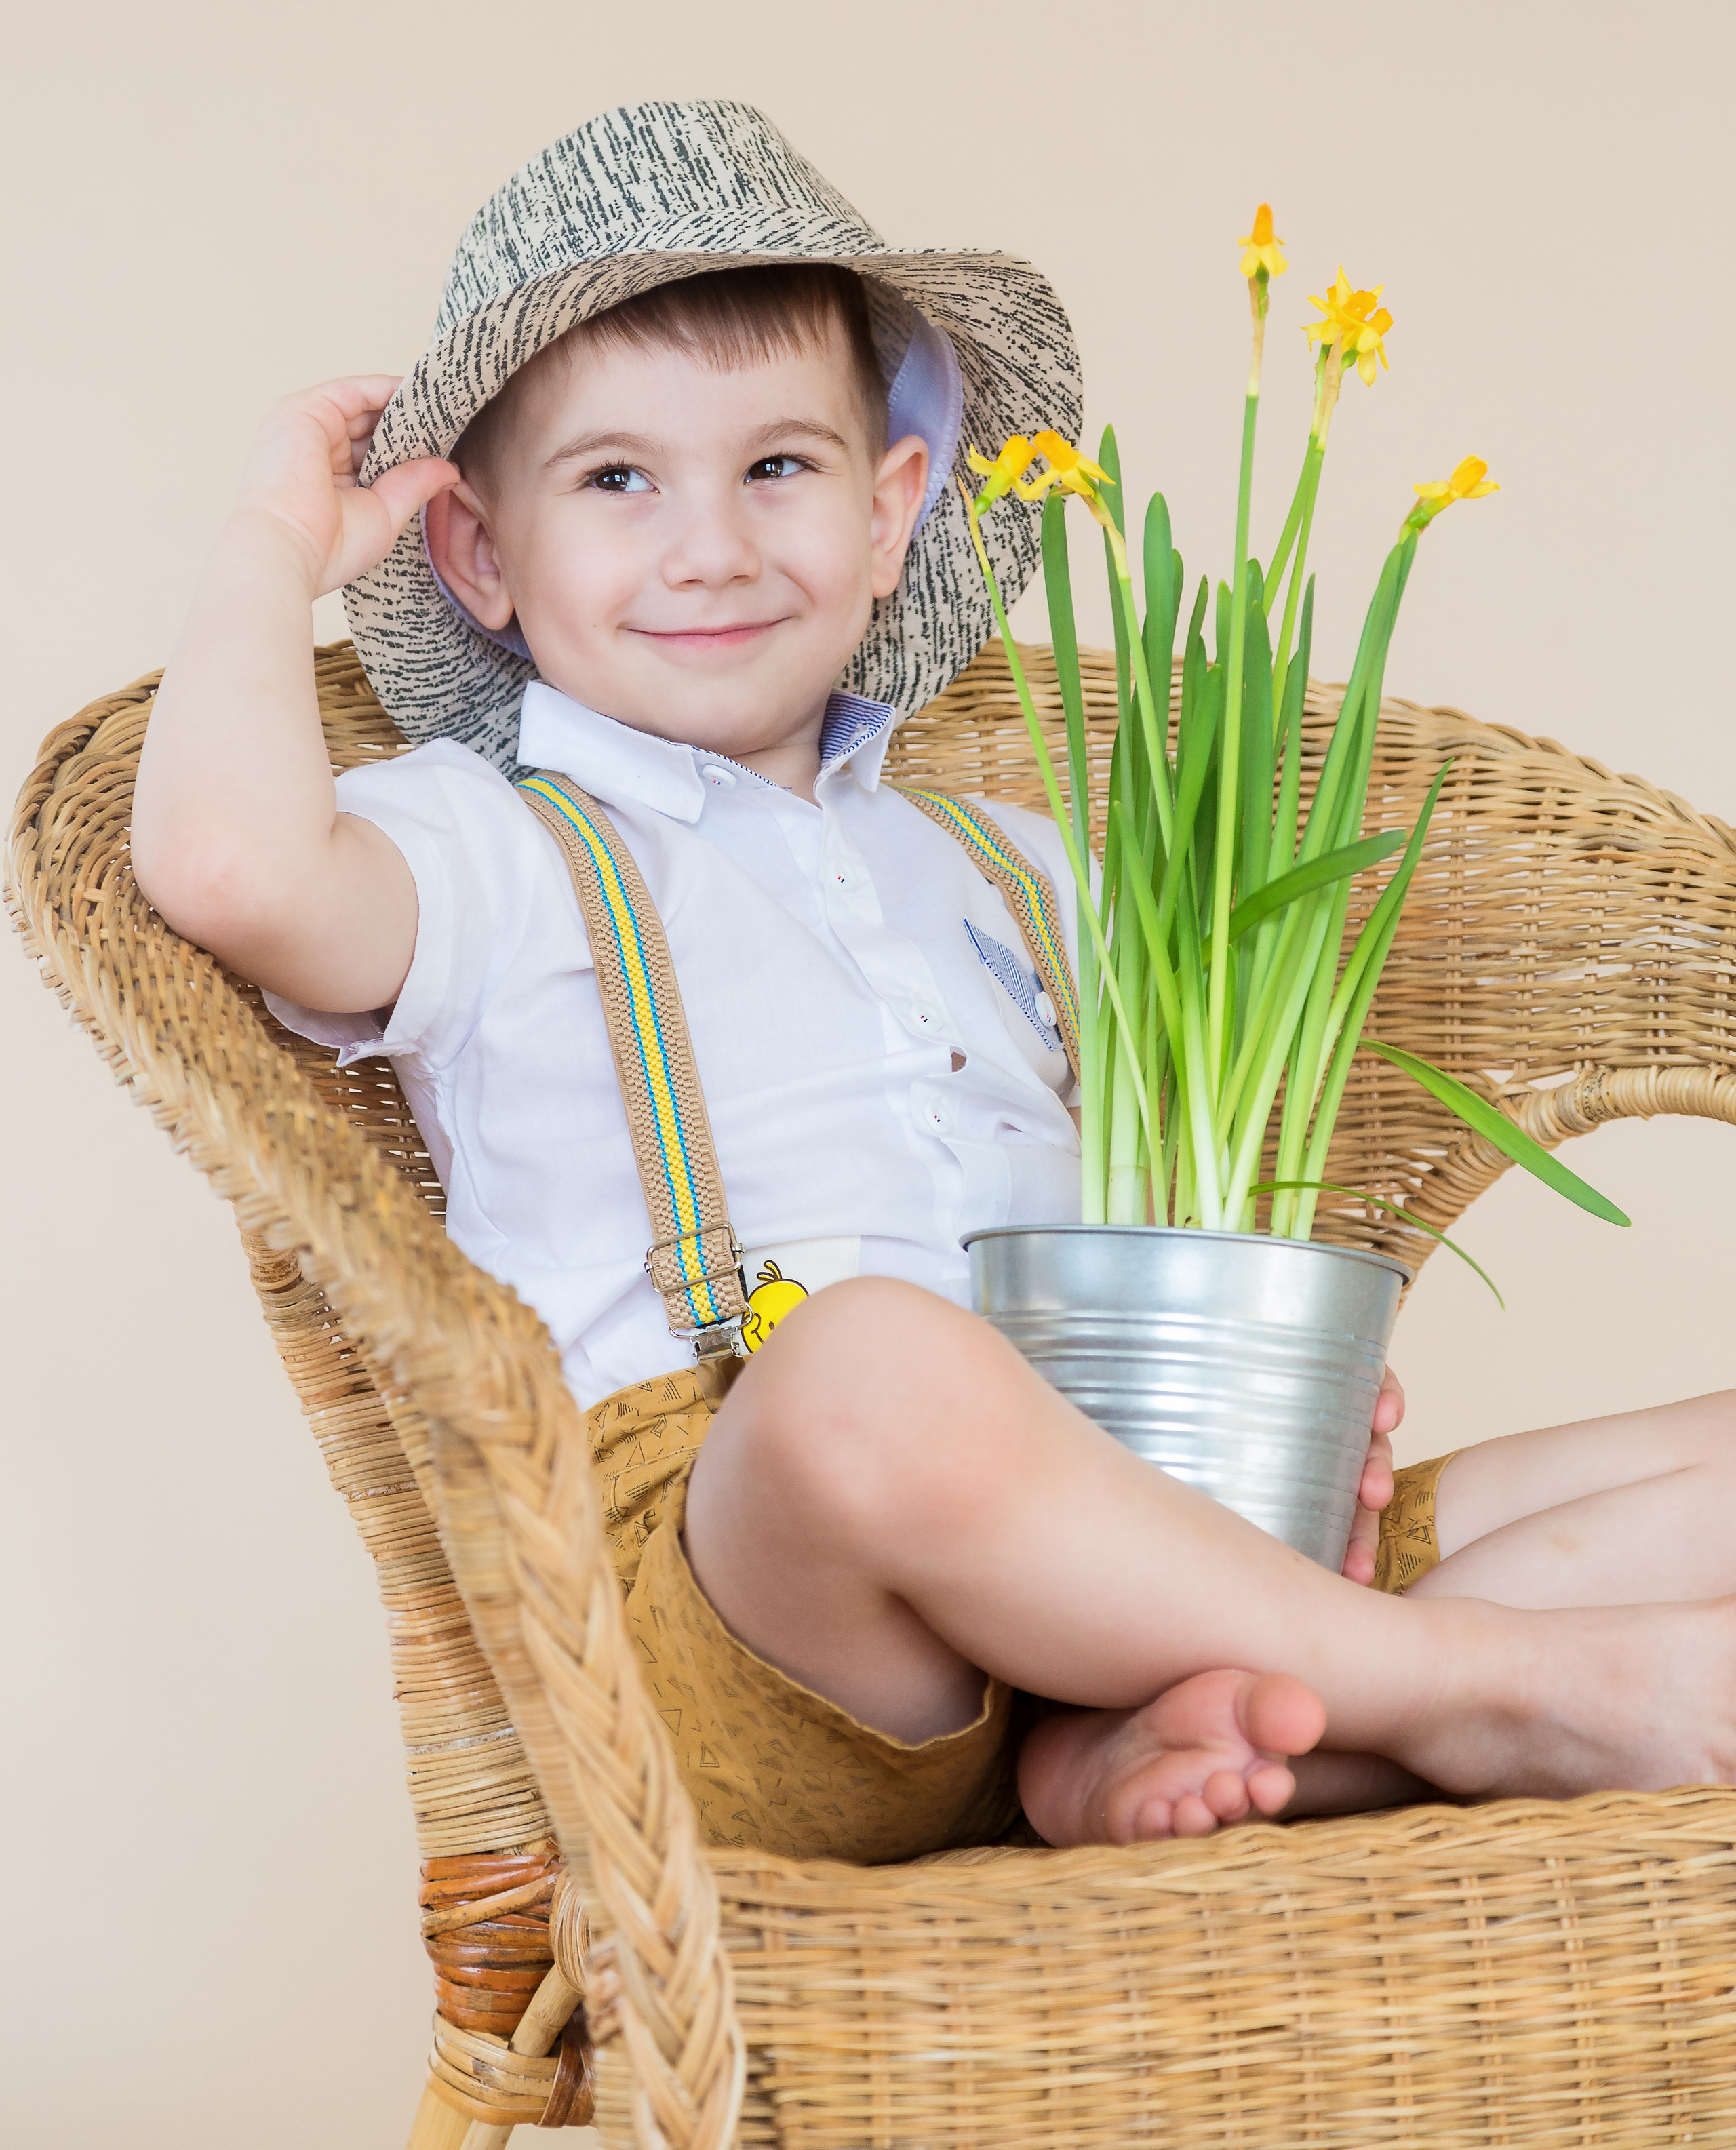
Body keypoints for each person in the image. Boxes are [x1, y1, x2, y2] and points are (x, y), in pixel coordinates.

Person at [131, 100, 1736, 1866]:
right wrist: (274, 550)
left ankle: (1164, 1740)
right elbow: (229, 870)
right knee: (867, 1369)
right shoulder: (489, 846)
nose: (712, 546)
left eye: (778, 469)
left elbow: (1151, 1210)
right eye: (616, 481)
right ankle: (1478, 1689)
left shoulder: (1011, 868)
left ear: (893, 512)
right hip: (767, 1619)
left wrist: (1277, 1389)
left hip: (1111, 1542)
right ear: (481, 557)